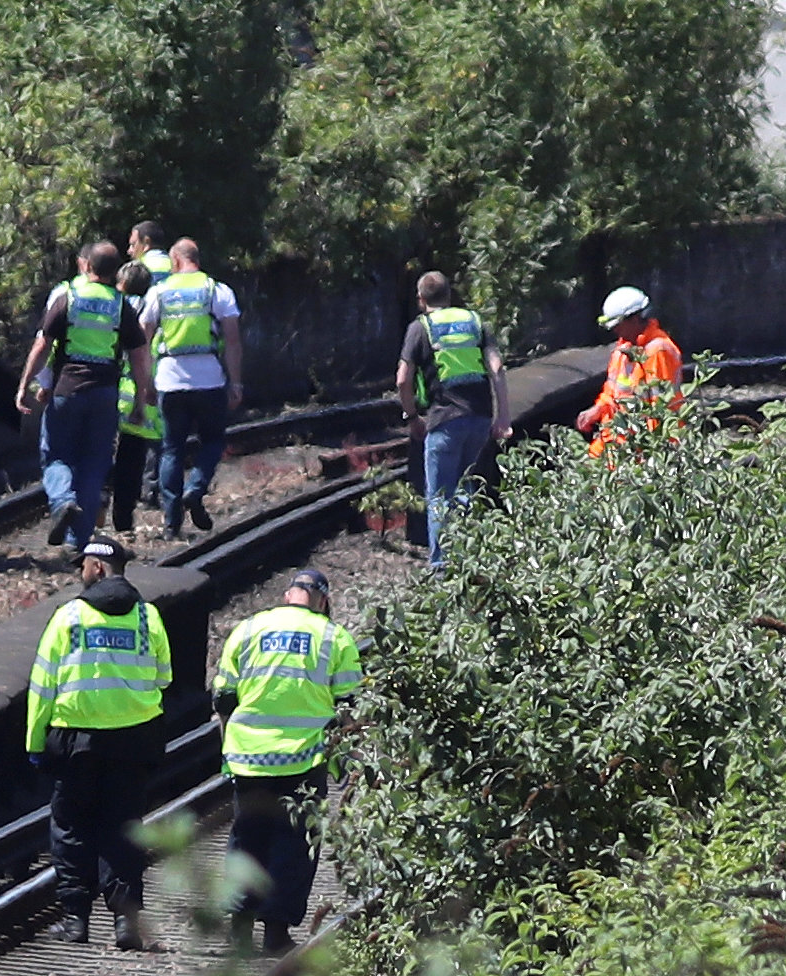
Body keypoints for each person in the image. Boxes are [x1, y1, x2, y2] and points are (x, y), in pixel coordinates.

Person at [26, 538, 172, 949]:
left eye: (84, 566)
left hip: (77, 742)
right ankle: (126, 925)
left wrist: (36, 743)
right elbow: (163, 677)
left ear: (99, 568)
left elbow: (43, 687)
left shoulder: (69, 617)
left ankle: (76, 922)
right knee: (123, 828)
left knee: (72, 828)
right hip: (133, 740)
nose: (81, 573)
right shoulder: (147, 617)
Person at [213, 567, 362, 955]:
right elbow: (349, 706)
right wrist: (347, 758)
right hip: (304, 758)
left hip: (249, 757)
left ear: (287, 595)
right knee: (295, 845)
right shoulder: (334, 636)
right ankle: (276, 933)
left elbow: (224, 697)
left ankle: (240, 928)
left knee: (247, 841)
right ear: (323, 600)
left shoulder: (248, 629)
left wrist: (230, 741)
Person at [18, 241, 156, 551]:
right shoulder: (121, 306)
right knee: (94, 466)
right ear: (115, 271)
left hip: (68, 390)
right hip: (105, 395)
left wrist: (25, 384)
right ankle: (76, 544)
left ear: (86, 266)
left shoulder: (69, 297)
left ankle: (63, 501)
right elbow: (139, 355)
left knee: (56, 454)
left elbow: (43, 346)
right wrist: (139, 400)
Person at [396, 272, 513, 568]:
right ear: (450, 295)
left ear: (421, 300)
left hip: (443, 420)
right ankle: (469, 563)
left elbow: (402, 380)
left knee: (440, 497)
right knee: (466, 491)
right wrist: (503, 417)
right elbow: (497, 370)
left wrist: (412, 418)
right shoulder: (475, 322)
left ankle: (442, 570)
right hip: (479, 420)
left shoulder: (419, 328)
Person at [139, 238, 244, 539]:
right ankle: (195, 489)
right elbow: (233, 342)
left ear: (174, 261)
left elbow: (143, 341)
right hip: (209, 380)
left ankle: (172, 523)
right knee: (212, 442)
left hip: (170, 381)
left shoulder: (158, 292)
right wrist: (235, 382)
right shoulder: (217, 291)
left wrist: (145, 383)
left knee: (171, 449)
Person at [577, 286, 684, 459]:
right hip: (618, 438)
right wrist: (598, 409)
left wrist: (650, 452)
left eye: (618, 325)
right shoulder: (623, 349)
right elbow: (612, 391)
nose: (615, 330)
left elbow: (659, 408)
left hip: (643, 445)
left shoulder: (658, 350)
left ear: (635, 318)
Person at [111, 261, 165, 534]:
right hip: (136, 392)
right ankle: (123, 521)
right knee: (132, 461)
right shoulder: (149, 310)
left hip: (106, 390)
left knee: (98, 455)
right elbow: (147, 354)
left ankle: (92, 511)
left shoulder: (110, 305)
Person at [127, 222, 174, 289]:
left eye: (133, 245)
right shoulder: (176, 264)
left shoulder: (137, 268)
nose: (129, 251)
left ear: (146, 242)